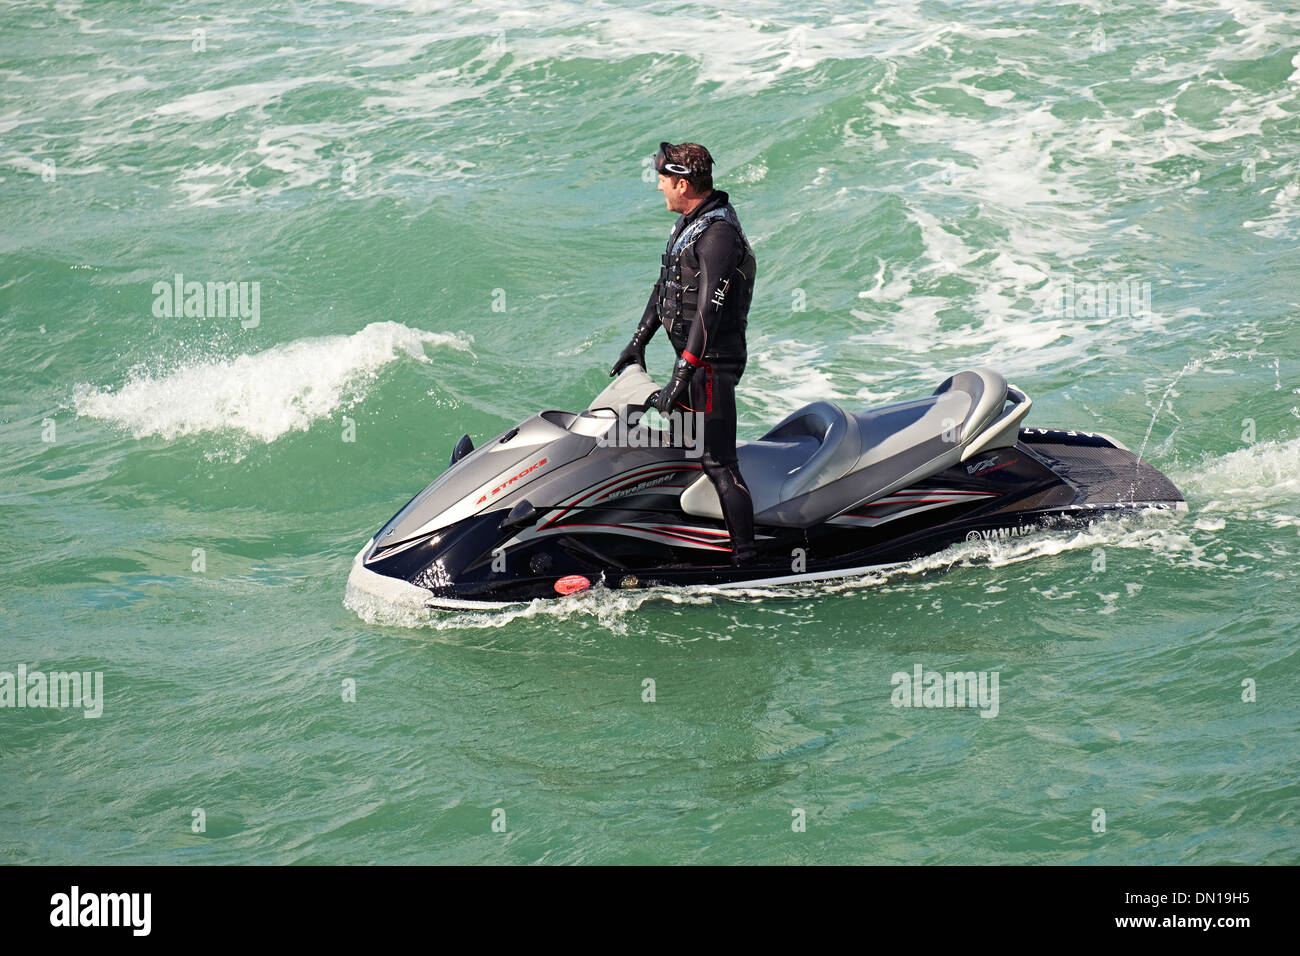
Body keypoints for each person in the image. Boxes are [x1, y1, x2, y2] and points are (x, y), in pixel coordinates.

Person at [610, 141, 759, 566]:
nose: (658, 187)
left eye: (662, 180)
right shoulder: (690, 223)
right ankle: (688, 537)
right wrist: (639, 339)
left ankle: (747, 558)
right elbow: (666, 288)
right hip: (689, 364)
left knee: (717, 462)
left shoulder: (719, 235)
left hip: (711, 367)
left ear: (682, 182)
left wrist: (683, 372)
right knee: (684, 452)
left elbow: (710, 307)